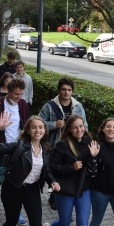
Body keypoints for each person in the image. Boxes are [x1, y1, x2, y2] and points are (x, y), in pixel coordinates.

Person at [44, 114, 99, 226]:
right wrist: (71, 167)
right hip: (66, 190)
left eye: (81, 126)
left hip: (84, 190)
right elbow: (52, 167)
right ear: (69, 129)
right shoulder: (61, 145)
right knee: (64, 222)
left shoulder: (90, 143)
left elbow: (94, 170)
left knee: (82, 225)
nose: (79, 129)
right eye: (75, 127)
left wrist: (94, 157)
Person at [38, 77, 88, 210]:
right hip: (54, 145)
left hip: (72, 146)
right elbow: (39, 124)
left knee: (67, 170)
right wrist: (54, 124)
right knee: (54, 170)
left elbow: (85, 125)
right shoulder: (49, 106)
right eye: (64, 90)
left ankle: (60, 195)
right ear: (59, 90)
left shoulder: (78, 106)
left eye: (69, 90)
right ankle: (54, 195)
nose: (66, 92)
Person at [0, 78, 29, 221]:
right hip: (2, 149)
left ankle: (17, 211)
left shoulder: (22, 104)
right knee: (0, 177)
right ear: (8, 91)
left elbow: (26, 123)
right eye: (16, 94)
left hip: (18, 149)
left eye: (21, 94)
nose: (19, 97)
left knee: (18, 181)